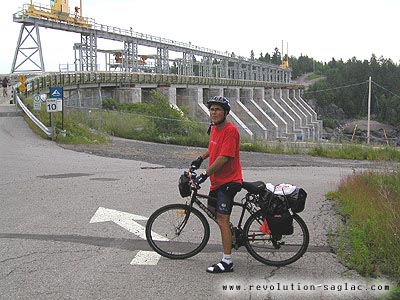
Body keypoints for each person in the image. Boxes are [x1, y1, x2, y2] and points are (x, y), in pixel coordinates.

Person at [191, 96, 243, 274]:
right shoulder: (214, 128)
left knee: (221, 219)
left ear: (225, 113)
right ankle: (233, 234)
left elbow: (224, 158)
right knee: (212, 210)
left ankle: (227, 262)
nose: (214, 112)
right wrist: (200, 159)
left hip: (229, 182)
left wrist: (205, 174)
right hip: (217, 181)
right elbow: (213, 149)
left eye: (218, 110)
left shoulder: (231, 131)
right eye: (212, 109)